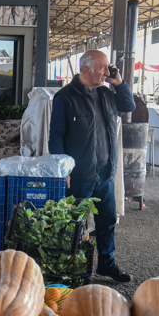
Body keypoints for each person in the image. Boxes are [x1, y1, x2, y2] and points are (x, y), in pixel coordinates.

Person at [48, 50, 136, 283]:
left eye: (108, 68)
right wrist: (62, 169)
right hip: (79, 175)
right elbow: (55, 137)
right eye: (103, 68)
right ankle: (70, 269)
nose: (107, 72)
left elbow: (129, 106)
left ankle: (107, 265)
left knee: (107, 222)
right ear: (86, 70)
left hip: (105, 173)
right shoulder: (65, 97)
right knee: (73, 224)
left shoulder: (107, 94)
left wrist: (119, 82)